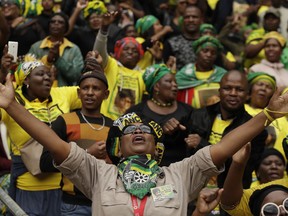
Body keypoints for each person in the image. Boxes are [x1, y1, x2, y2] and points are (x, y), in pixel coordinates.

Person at [2, 63, 288, 215]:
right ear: (118, 149)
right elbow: (54, 143)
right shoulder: (99, 173)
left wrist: (267, 115)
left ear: (157, 148)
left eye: (146, 132)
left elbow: (225, 146)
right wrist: (12, 105)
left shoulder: (180, 174)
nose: (138, 131)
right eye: (129, 132)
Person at [0, 48, 81, 215]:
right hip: (28, 188)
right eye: (40, 74)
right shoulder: (11, 100)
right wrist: (2, 71)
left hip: (62, 187)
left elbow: (93, 89)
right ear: (26, 80)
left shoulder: (62, 94)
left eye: (48, 74)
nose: (47, 78)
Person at [40, 69, 113, 215]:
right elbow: (45, 163)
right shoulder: (64, 121)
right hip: (73, 206)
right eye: (85, 88)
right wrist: (87, 153)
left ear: (106, 95)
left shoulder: (114, 126)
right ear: (79, 93)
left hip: (107, 203)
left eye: (96, 88)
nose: (90, 92)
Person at [186, 70, 267, 190]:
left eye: (239, 89)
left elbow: (243, 170)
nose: (233, 93)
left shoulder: (254, 130)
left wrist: (202, 145)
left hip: (228, 198)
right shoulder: (198, 116)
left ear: (247, 94)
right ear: (219, 91)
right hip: (194, 193)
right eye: (227, 88)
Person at [126, 64, 193, 166]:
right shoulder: (137, 112)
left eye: (175, 82)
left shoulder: (187, 110)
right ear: (157, 86)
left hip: (180, 171)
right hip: (145, 169)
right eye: (169, 81)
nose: (175, 85)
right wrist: (161, 131)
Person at [93, 11, 145, 120]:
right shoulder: (111, 65)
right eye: (126, 49)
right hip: (106, 123)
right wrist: (104, 29)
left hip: (131, 128)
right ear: (118, 53)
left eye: (134, 51)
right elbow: (98, 52)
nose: (130, 52)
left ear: (139, 56)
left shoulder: (143, 74)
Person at [221, 142, 288, 216]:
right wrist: (238, 164)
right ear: (257, 172)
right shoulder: (247, 197)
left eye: (287, 204)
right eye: (270, 211)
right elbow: (229, 202)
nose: (283, 212)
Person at [29, 12, 84, 87]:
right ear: (49, 26)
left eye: (60, 22)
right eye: (53, 22)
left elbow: (76, 76)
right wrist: (48, 61)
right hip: (39, 93)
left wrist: (58, 60)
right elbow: (28, 72)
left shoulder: (74, 49)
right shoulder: (36, 47)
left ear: (66, 28)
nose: (56, 24)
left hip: (64, 94)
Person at [176, 35, 227, 108]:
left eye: (213, 53)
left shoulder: (223, 75)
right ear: (197, 52)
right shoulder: (184, 75)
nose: (209, 55)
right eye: (205, 51)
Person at [245, 72, 288, 156]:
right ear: (249, 91)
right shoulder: (240, 109)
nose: (263, 88)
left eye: (268, 87)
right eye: (260, 84)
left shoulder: (281, 118)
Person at [163, 5, 203, 70]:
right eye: (187, 17)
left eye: (194, 17)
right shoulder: (171, 43)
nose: (191, 20)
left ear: (201, 19)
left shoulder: (208, 43)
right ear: (182, 20)